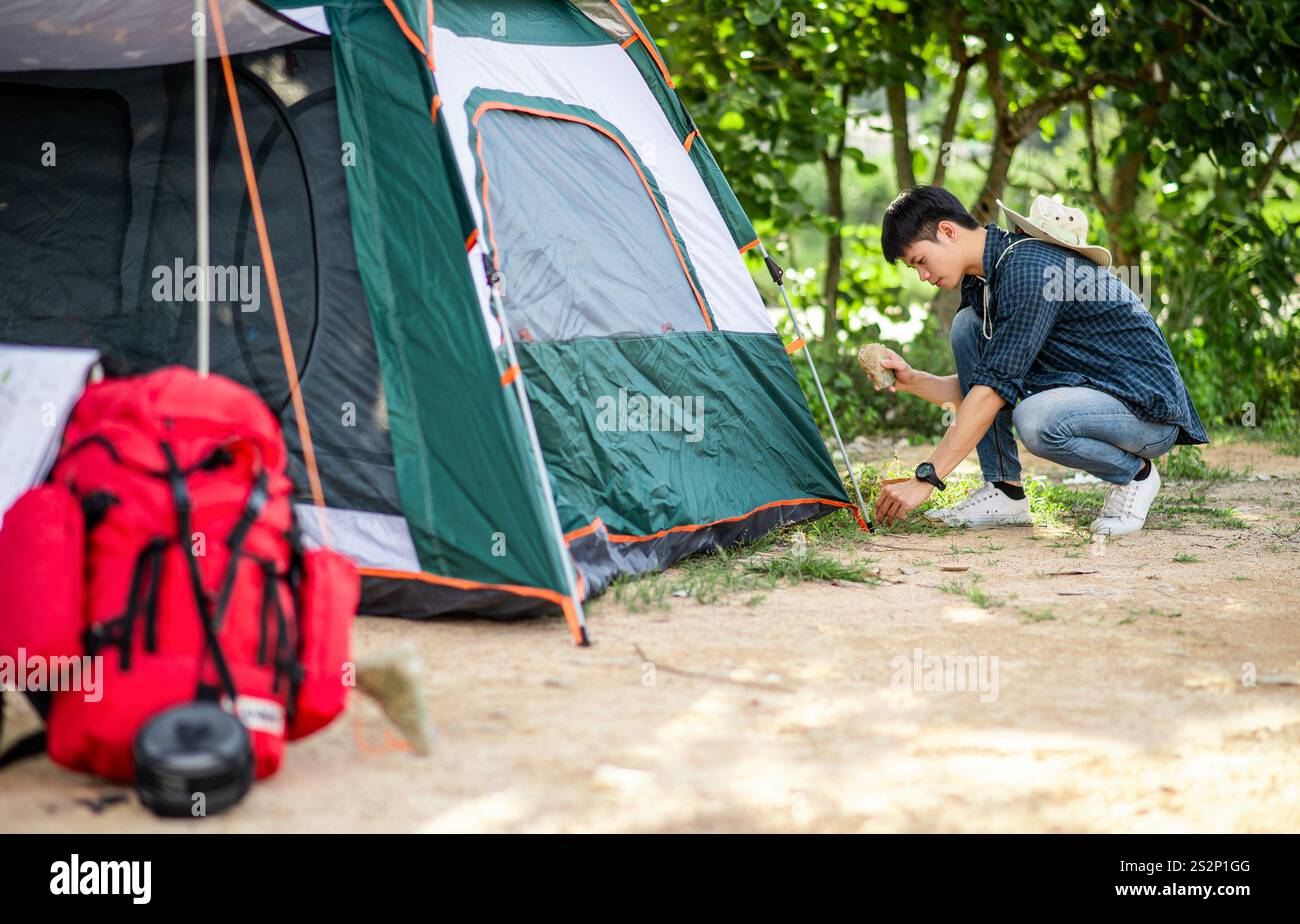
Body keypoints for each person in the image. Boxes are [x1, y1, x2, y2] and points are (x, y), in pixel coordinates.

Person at [872, 186, 1206, 536]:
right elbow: (987, 386)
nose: (923, 277)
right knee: (967, 326)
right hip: (1092, 399)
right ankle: (1004, 491)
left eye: (921, 261)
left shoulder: (1028, 269)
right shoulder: (985, 281)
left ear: (947, 231)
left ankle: (1136, 474)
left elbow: (991, 393)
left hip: (1145, 411)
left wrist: (928, 477)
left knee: (1035, 419)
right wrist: (913, 380)